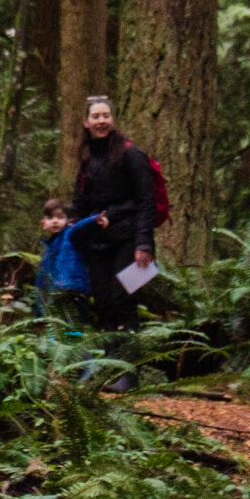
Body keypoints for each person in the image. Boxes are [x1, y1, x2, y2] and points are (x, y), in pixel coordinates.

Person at [67, 97, 158, 336]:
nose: (101, 121)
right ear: (86, 122)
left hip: (130, 239)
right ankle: (111, 354)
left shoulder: (130, 154)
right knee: (103, 301)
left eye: (106, 116)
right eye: (96, 117)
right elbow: (80, 202)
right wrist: (70, 228)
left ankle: (129, 355)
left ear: (113, 119)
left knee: (123, 298)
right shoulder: (87, 159)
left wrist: (144, 244)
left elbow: (146, 200)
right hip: (98, 242)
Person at [36, 197, 91, 325]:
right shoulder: (46, 252)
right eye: (50, 218)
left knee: (75, 326)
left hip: (74, 291)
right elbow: (40, 283)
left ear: (68, 220)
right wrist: (38, 314)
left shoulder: (70, 235)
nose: (55, 221)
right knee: (58, 327)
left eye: (60, 217)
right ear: (43, 224)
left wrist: (94, 219)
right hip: (54, 295)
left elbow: (81, 227)